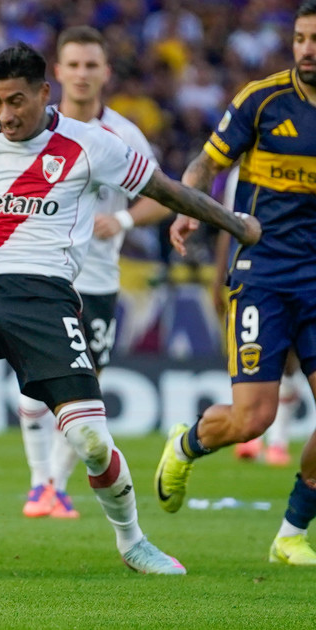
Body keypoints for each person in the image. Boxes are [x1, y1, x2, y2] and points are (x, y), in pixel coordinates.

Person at [0, 43, 259, 574]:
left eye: (16, 101)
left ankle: (133, 542)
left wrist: (234, 224)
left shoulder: (93, 144)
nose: (5, 115)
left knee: (91, 440)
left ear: (44, 93)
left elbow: (166, 191)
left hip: (45, 303)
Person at [155, 1, 316, 566]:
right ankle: (186, 444)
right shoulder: (262, 100)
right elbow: (206, 164)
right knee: (254, 419)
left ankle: (290, 534)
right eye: (301, 38)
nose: (308, 49)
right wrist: (189, 208)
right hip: (263, 276)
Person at [18, 27, 171, 520]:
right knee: (34, 384)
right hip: (42, 275)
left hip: (99, 282)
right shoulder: (36, 129)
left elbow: (162, 197)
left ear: (105, 72)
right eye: (74, 65)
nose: (82, 74)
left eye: (91, 65)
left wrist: (122, 220)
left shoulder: (124, 136)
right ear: (58, 72)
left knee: (85, 389)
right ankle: (41, 484)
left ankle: (54, 487)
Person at [214, 166, 297, 468]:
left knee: (290, 359)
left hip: (299, 271)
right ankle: (252, 431)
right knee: (251, 351)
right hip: (254, 275)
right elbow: (227, 226)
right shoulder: (240, 174)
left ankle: (277, 440)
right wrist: (218, 278)